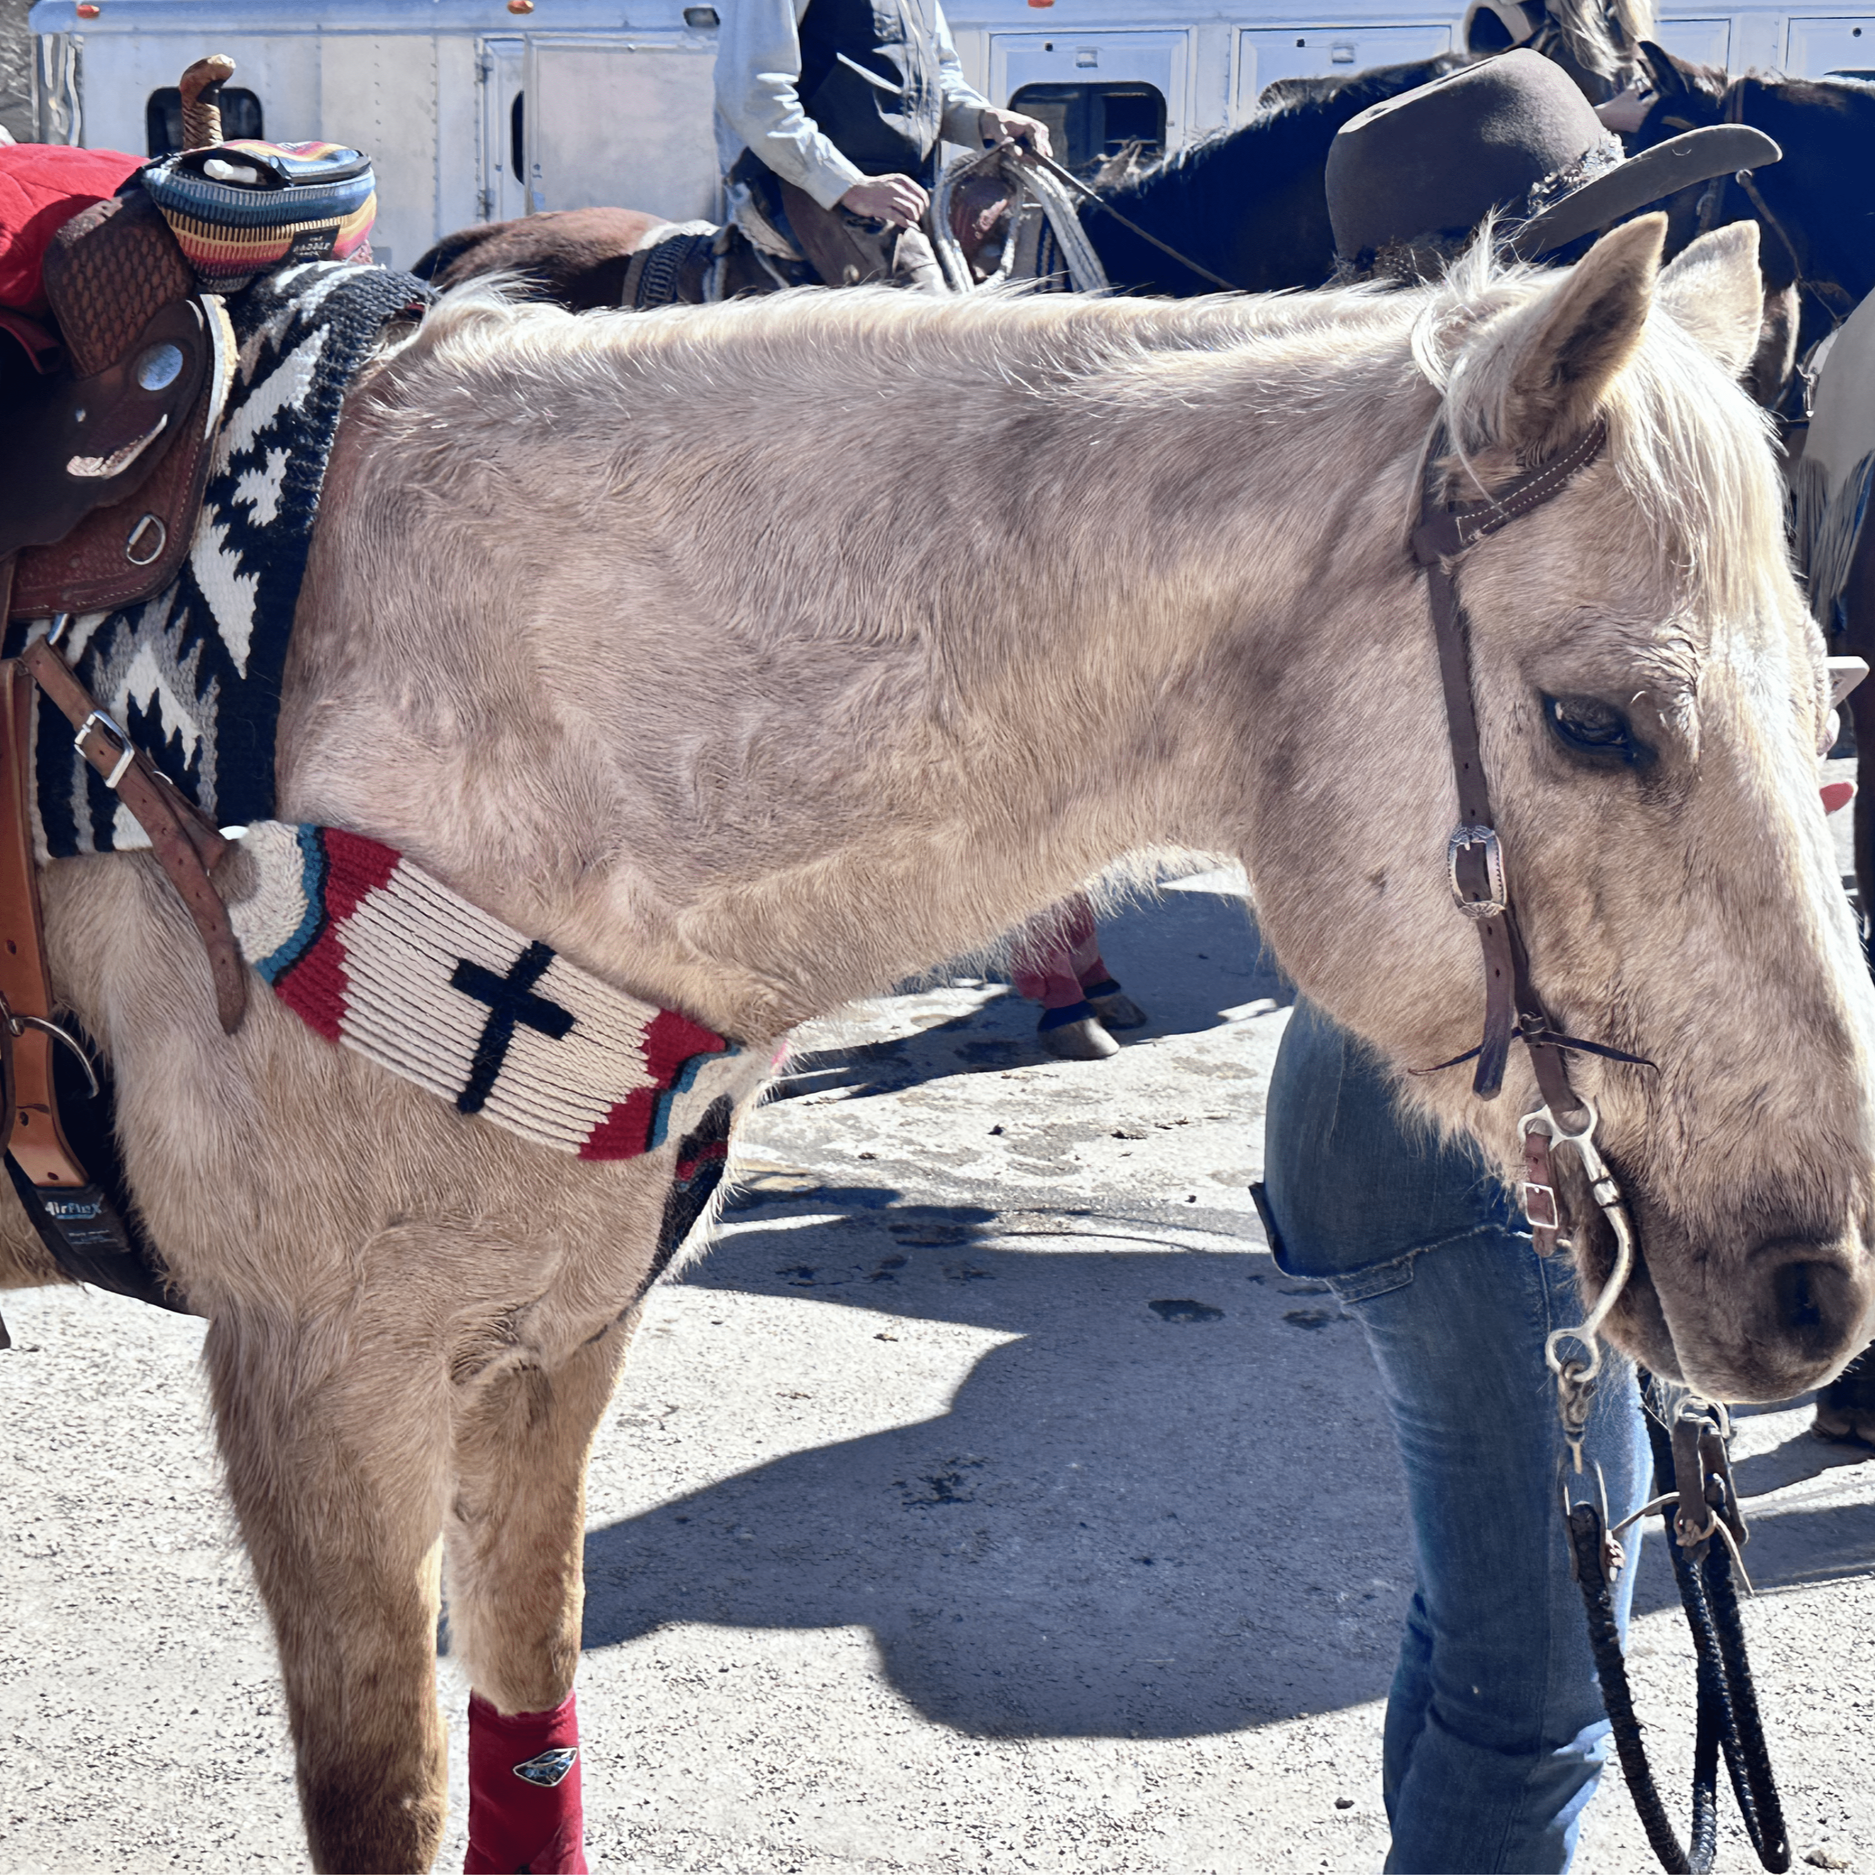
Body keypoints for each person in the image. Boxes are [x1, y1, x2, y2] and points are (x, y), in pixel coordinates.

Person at [1252, 53, 1780, 1874]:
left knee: (1487, 1630)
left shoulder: (1453, 516)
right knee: (1539, 1690)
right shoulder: (1497, 499)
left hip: (1390, 1107)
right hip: (1467, 1133)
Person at [713, 0, 1052, 289]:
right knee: (933, 331)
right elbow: (754, 95)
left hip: (902, 190)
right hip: (805, 188)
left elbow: (936, 80)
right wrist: (848, 186)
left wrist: (983, 119)